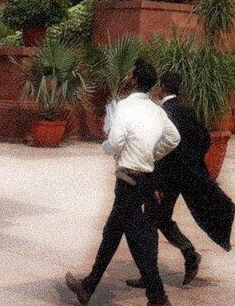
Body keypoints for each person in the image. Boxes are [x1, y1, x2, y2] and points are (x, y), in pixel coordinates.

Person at [66, 60, 180, 306]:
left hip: (128, 181)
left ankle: (158, 297)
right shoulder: (157, 110)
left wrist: (106, 147)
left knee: (139, 242)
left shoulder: (125, 107)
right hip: (144, 179)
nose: (128, 76)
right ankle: (88, 286)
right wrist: (151, 154)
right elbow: (173, 138)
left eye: (131, 74)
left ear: (135, 80)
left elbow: (116, 141)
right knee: (111, 234)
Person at [126, 71, 235, 290]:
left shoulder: (161, 113)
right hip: (183, 177)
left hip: (165, 180)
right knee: (160, 219)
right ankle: (185, 255)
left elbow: (158, 151)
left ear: (162, 88)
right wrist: (190, 161)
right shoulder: (188, 110)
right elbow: (204, 140)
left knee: (150, 221)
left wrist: (156, 181)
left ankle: (165, 267)